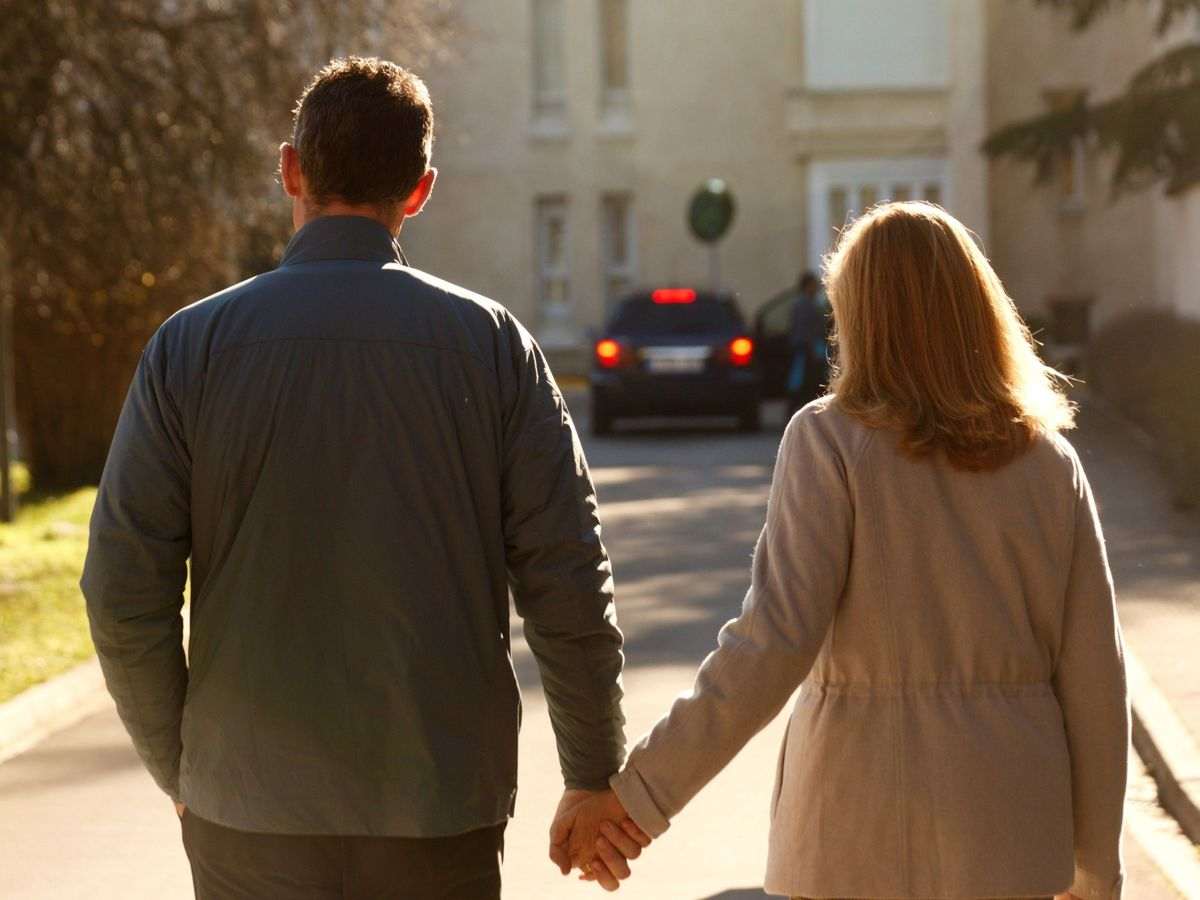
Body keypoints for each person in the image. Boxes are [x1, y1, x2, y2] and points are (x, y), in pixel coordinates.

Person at [82, 57, 634, 899]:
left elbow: (122, 593)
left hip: (247, 809)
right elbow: (567, 580)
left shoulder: (188, 350)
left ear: (291, 170)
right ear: (419, 190)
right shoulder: (492, 348)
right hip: (438, 804)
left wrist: (183, 768)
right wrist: (593, 773)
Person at [553, 202, 1129, 900]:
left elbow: (772, 642)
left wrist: (637, 798)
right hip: (1012, 832)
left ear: (859, 313)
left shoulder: (830, 442)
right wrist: (1097, 871)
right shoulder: (1048, 462)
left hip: (858, 827)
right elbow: (1097, 681)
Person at [786, 270, 829, 415]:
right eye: (813, 285)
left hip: (808, 348)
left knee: (803, 381)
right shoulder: (804, 305)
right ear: (807, 285)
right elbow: (805, 329)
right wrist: (810, 346)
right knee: (803, 382)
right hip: (806, 349)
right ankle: (795, 409)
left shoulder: (807, 303)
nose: (816, 288)